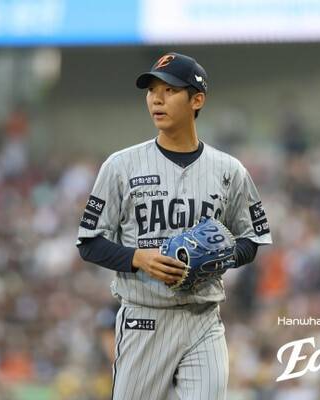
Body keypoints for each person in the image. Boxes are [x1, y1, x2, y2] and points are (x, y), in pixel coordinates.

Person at [77, 52, 272, 400]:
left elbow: (252, 239)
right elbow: (89, 243)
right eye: (152, 90)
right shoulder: (121, 166)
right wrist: (138, 257)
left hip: (203, 319)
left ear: (197, 100)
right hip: (144, 319)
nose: (157, 98)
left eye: (169, 90)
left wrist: (223, 256)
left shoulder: (229, 170)